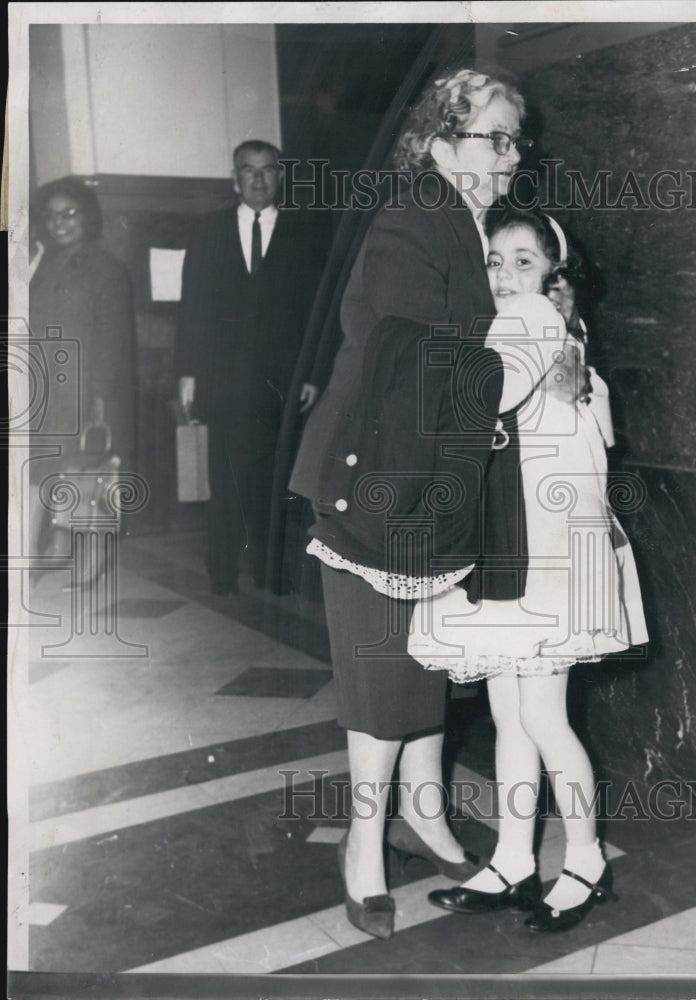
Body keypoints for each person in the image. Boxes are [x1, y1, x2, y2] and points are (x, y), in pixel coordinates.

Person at [289, 67, 543, 939]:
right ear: (441, 144)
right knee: (380, 673)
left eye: (516, 140)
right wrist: (521, 362)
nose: (511, 155)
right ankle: (363, 846)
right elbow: (409, 355)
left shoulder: (481, 226)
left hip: (438, 480)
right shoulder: (413, 218)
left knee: (429, 660)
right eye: (495, 138)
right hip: (379, 487)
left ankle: (425, 817)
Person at [409, 206, 648, 931]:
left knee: (540, 715)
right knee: (512, 714)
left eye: (523, 258)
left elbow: (495, 390)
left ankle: (584, 858)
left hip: (546, 556)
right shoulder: (553, 329)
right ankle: (515, 858)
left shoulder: (533, 318)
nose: (507, 273)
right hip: (522, 545)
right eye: (494, 260)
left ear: (550, 269)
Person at [174, 140, 318, 595]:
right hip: (222, 380)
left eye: (267, 170)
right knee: (226, 479)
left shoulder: (306, 232)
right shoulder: (208, 230)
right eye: (248, 170)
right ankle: (221, 571)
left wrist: (312, 373)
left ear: (280, 176)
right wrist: (187, 374)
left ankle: (271, 572)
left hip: (282, 381)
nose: (258, 179)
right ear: (234, 177)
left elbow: (317, 309)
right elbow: (191, 306)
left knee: (275, 482)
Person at [29, 177, 137, 557]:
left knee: (87, 477)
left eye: (69, 213)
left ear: (87, 217)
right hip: (42, 391)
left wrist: (100, 398)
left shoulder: (107, 269)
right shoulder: (42, 266)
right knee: (44, 475)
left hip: (81, 392)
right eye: (52, 215)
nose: (59, 222)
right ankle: (44, 553)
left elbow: (111, 339)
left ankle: (88, 564)